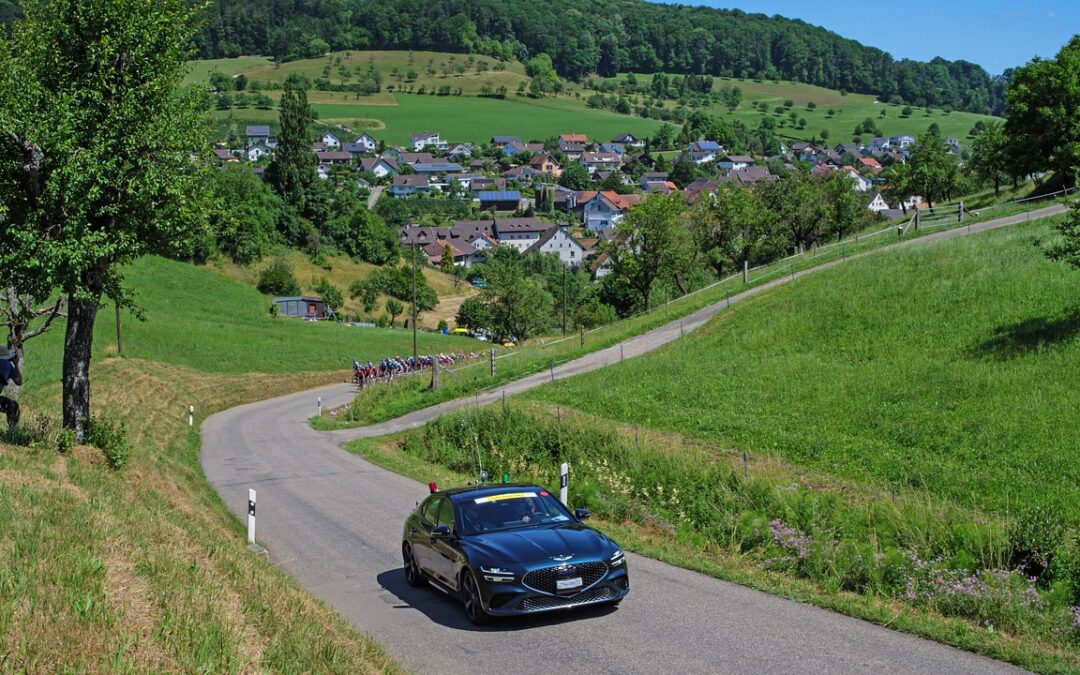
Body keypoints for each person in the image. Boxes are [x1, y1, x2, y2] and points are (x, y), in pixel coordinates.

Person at [0, 346, 22, 429]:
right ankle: (12, 431)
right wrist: (16, 364)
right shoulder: (7, 365)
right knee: (13, 406)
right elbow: (19, 381)